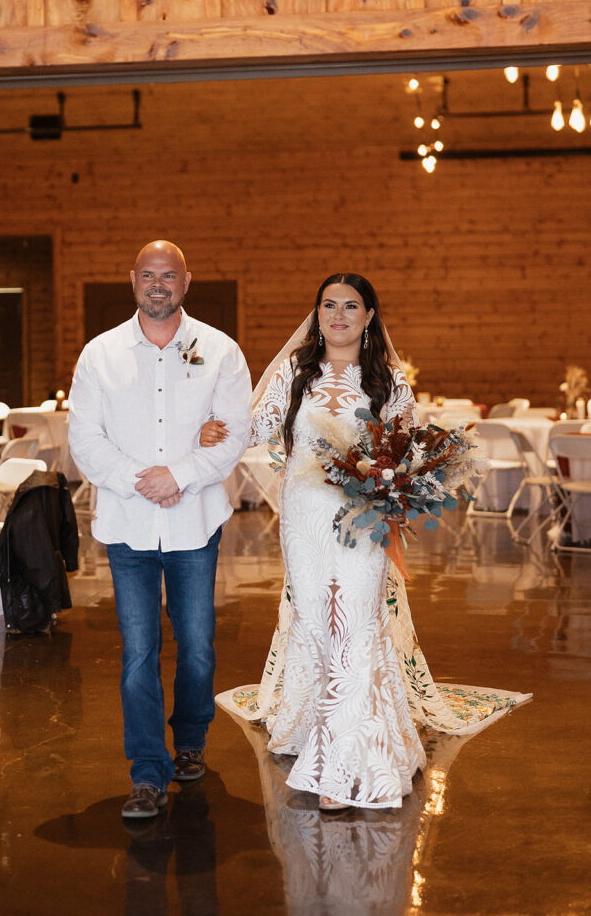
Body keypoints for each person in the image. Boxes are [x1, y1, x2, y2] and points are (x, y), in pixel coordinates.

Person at [204, 273, 530, 812]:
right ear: (316, 314)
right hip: (304, 519)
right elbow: (255, 429)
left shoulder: (387, 382)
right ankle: (312, 727)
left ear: (369, 316)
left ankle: (346, 764)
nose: (337, 315)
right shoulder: (293, 372)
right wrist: (214, 428)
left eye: (350, 306)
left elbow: (405, 451)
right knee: (314, 621)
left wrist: (396, 486)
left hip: (364, 518)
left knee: (355, 626)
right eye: (328, 305)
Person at [68, 240, 252, 820]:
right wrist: (139, 481)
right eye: (147, 275)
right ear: (132, 281)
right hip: (127, 525)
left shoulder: (219, 351)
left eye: (167, 275)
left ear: (186, 282)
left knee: (197, 647)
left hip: (195, 521)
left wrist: (179, 477)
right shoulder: (99, 355)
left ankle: (191, 739)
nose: (157, 284)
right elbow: (85, 438)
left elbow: (235, 431)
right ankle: (148, 772)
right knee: (138, 653)